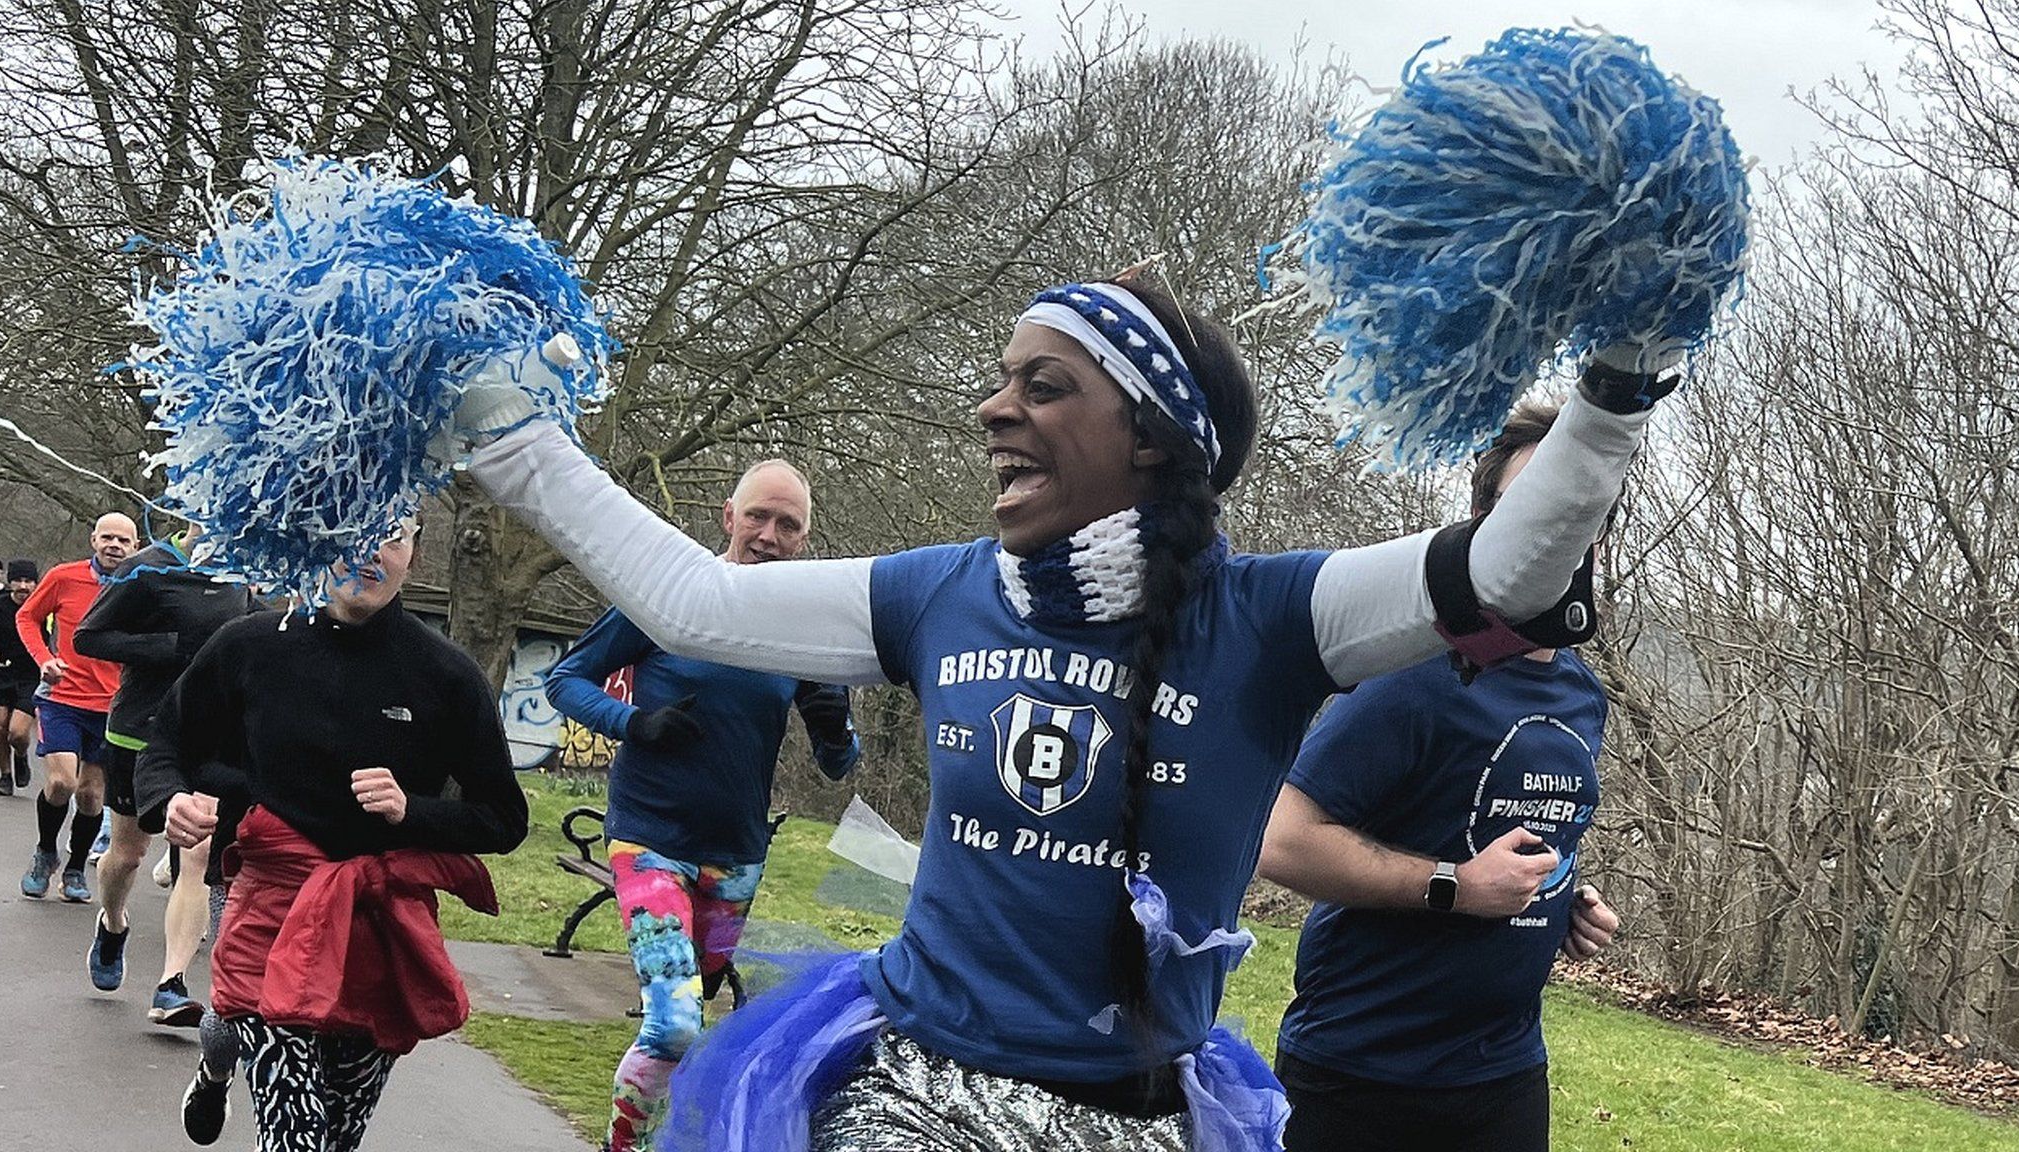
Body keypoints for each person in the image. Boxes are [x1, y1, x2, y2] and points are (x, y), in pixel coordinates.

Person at [459, 275, 1668, 1149]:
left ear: (1150, 437)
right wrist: (510, 440)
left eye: (1043, 386)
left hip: (1133, 1122)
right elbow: (704, 602)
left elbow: (1506, 566)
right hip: (910, 1096)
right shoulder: (937, 592)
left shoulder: (1273, 618)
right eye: (999, 382)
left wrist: (1617, 386)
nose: (994, 409)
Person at [1259, 400, 1623, 1152]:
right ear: (1488, 522)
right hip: (1361, 1073)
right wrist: (1456, 887)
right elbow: (1282, 840)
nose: (1563, 526)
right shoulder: (1417, 676)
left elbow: (1513, 825)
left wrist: (1560, 901)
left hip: (1502, 1076)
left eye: (1583, 504)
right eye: (1538, 502)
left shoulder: (1582, 694)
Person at [137, 524, 529, 1152]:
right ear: (317, 543)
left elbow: (505, 820)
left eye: (392, 538)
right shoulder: (251, 643)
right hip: (272, 908)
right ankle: (223, 1050)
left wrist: (412, 812)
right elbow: (170, 742)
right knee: (296, 1139)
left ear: (414, 555)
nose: (371, 552)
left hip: (378, 922)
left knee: (335, 1138)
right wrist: (170, 799)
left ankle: (216, 1055)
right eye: (354, 534)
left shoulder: (447, 674)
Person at [544, 459, 862, 1152]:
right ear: (727, 517)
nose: (769, 534)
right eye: (758, 516)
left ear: (804, 540)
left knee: (688, 1018)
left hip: (736, 864)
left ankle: (657, 1134)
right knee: (674, 1022)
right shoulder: (670, 597)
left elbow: (840, 765)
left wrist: (835, 718)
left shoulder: (801, 630)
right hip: (649, 842)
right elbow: (562, 680)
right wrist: (634, 724)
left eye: (788, 524)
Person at [73, 526, 256, 1037]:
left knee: (195, 858)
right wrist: (173, 647)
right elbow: (89, 636)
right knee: (127, 856)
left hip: (204, 738)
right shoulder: (150, 566)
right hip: (139, 731)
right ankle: (112, 925)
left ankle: (172, 983)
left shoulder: (243, 571)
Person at [15, 513, 134, 901]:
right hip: (61, 698)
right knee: (61, 782)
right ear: (93, 540)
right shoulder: (64, 576)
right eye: (108, 538)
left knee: (91, 796)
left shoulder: (140, 586)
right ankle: (45, 851)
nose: (114, 546)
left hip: (110, 705)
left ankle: (75, 868)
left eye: (123, 541)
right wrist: (42, 660)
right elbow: (27, 617)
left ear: (135, 548)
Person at [0, 559, 41, 796]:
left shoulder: (43, 608)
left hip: (30, 676)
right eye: (18, 581)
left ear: (36, 583)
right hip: (1, 673)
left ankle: (21, 756)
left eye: (28, 581)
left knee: (18, 732)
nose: (23, 586)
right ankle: (5, 776)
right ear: (9, 581)